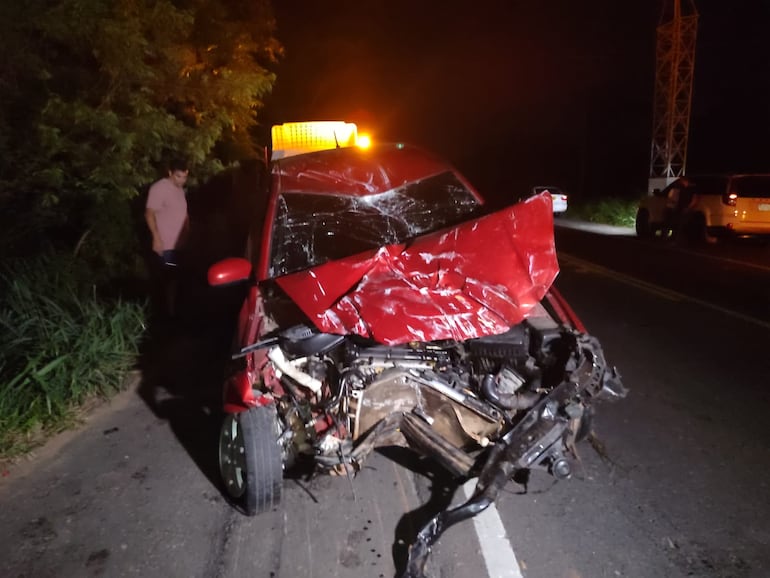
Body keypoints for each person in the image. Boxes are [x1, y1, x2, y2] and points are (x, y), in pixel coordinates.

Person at [145, 159, 190, 317]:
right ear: (170, 173)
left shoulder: (179, 190)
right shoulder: (159, 188)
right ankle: (165, 316)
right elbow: (149, 214)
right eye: (178, 176)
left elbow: (184, 214)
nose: (182, 180)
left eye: (184, 177)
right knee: (167, 280)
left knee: (177, 279)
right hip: (166, 244)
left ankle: (174, 313)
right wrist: (156, 238)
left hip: (180, 244)